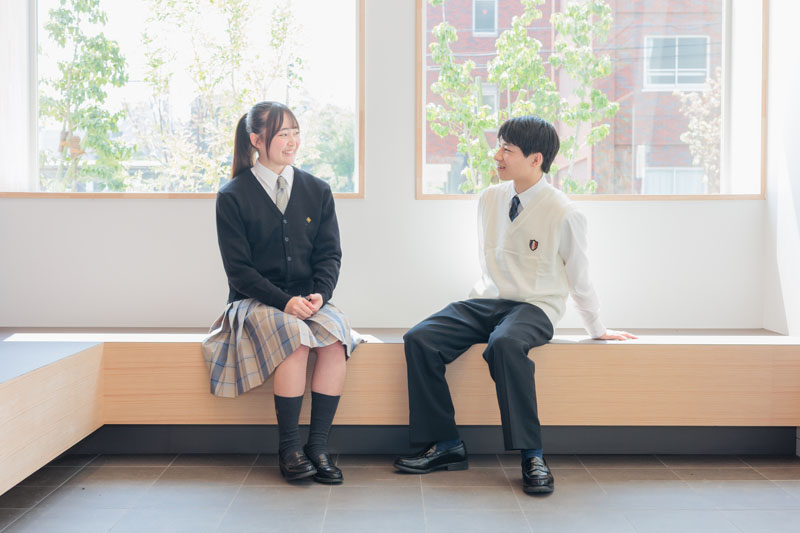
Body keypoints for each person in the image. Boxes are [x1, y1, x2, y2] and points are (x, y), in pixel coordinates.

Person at [394, 115, 636, 494]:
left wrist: (597, 328)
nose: (498, 156)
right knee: (420, 338)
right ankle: (446, 444)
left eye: (507, 149)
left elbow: (579, 276)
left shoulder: (565, 213)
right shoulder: (490, 198)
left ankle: (532, 455)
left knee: (505, 344)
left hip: (535, 307)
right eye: (499, 147)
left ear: (536, 159)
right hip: (489, 300)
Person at [202, 101, 358, 485]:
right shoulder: (233, 195)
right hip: (254, 301)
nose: (292, 141)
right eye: (282, 134)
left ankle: (317, 447)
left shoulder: (317, 190)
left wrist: (321, 294)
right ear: (257, 140)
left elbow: (329, 254)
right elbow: (239, 271)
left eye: (295, 132)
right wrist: (284, 302)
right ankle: (289, 449)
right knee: (295, 340)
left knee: (336, 340)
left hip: (307, 299)